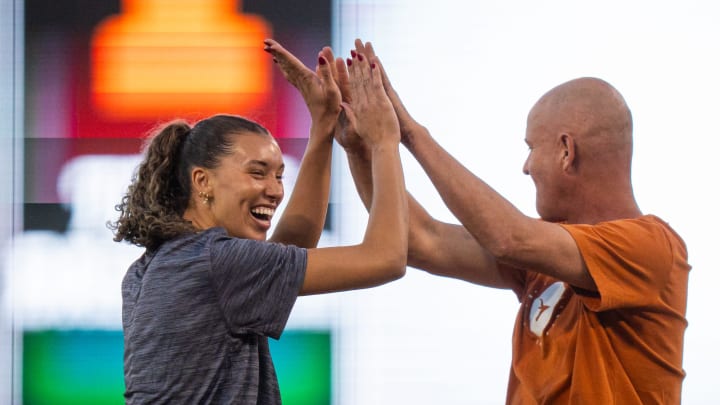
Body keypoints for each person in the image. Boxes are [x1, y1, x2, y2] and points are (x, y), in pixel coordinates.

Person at [335, 39, 690, 404]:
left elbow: (508, 237)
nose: (525, 167)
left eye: (530, 147)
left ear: (566, 151)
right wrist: (359, 148)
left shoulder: (651, 246)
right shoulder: (548, 258)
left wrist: (409, 134)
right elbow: (420, 239)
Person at [110, 39, 407, 404]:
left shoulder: (159, 264)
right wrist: (385, 141)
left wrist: (323, 128)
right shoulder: (217, 264)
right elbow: (387, 258)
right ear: (202, 181)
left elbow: (289, 251)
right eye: (258, 172)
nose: (275, 191)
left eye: (279, 176)